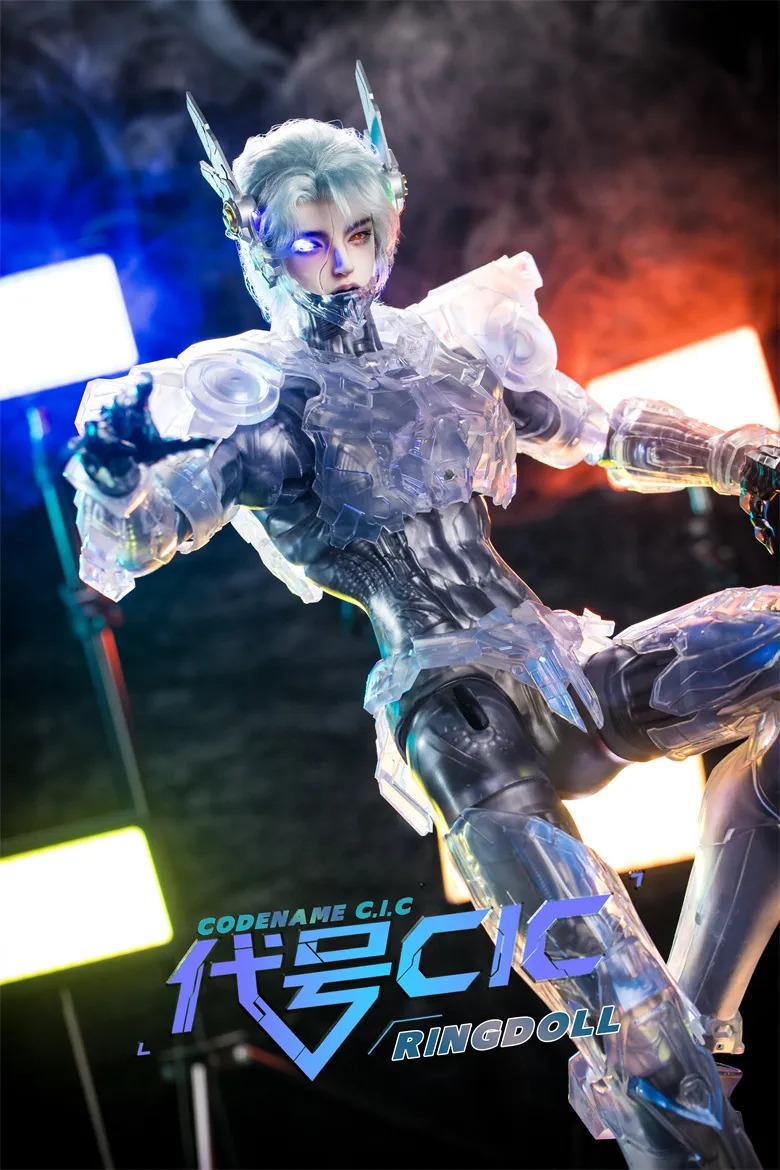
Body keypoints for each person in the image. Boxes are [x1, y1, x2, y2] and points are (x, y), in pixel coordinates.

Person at [66, 64, 779, 1169]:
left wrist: (735, 455)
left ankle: (699, 1006)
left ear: (389, 223)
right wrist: (114, 480)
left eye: (359, 234)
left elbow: (596, 429)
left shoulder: (452, 350)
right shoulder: (262, 400)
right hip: (456, 719)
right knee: (646, 1055)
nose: (342, 265)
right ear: (260, 250)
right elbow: (146, 536)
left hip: (560, 667)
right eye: (309, 244)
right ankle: (657, 1047)